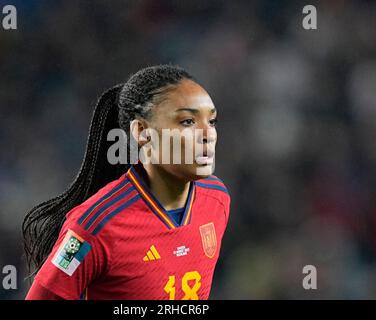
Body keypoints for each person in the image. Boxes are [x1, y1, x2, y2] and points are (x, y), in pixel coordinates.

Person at [23, 64, 230, 300]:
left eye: (211, 121)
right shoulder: (92, 226)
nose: (208, 134)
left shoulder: (217, 199)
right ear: (142, 131)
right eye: (187, 121)